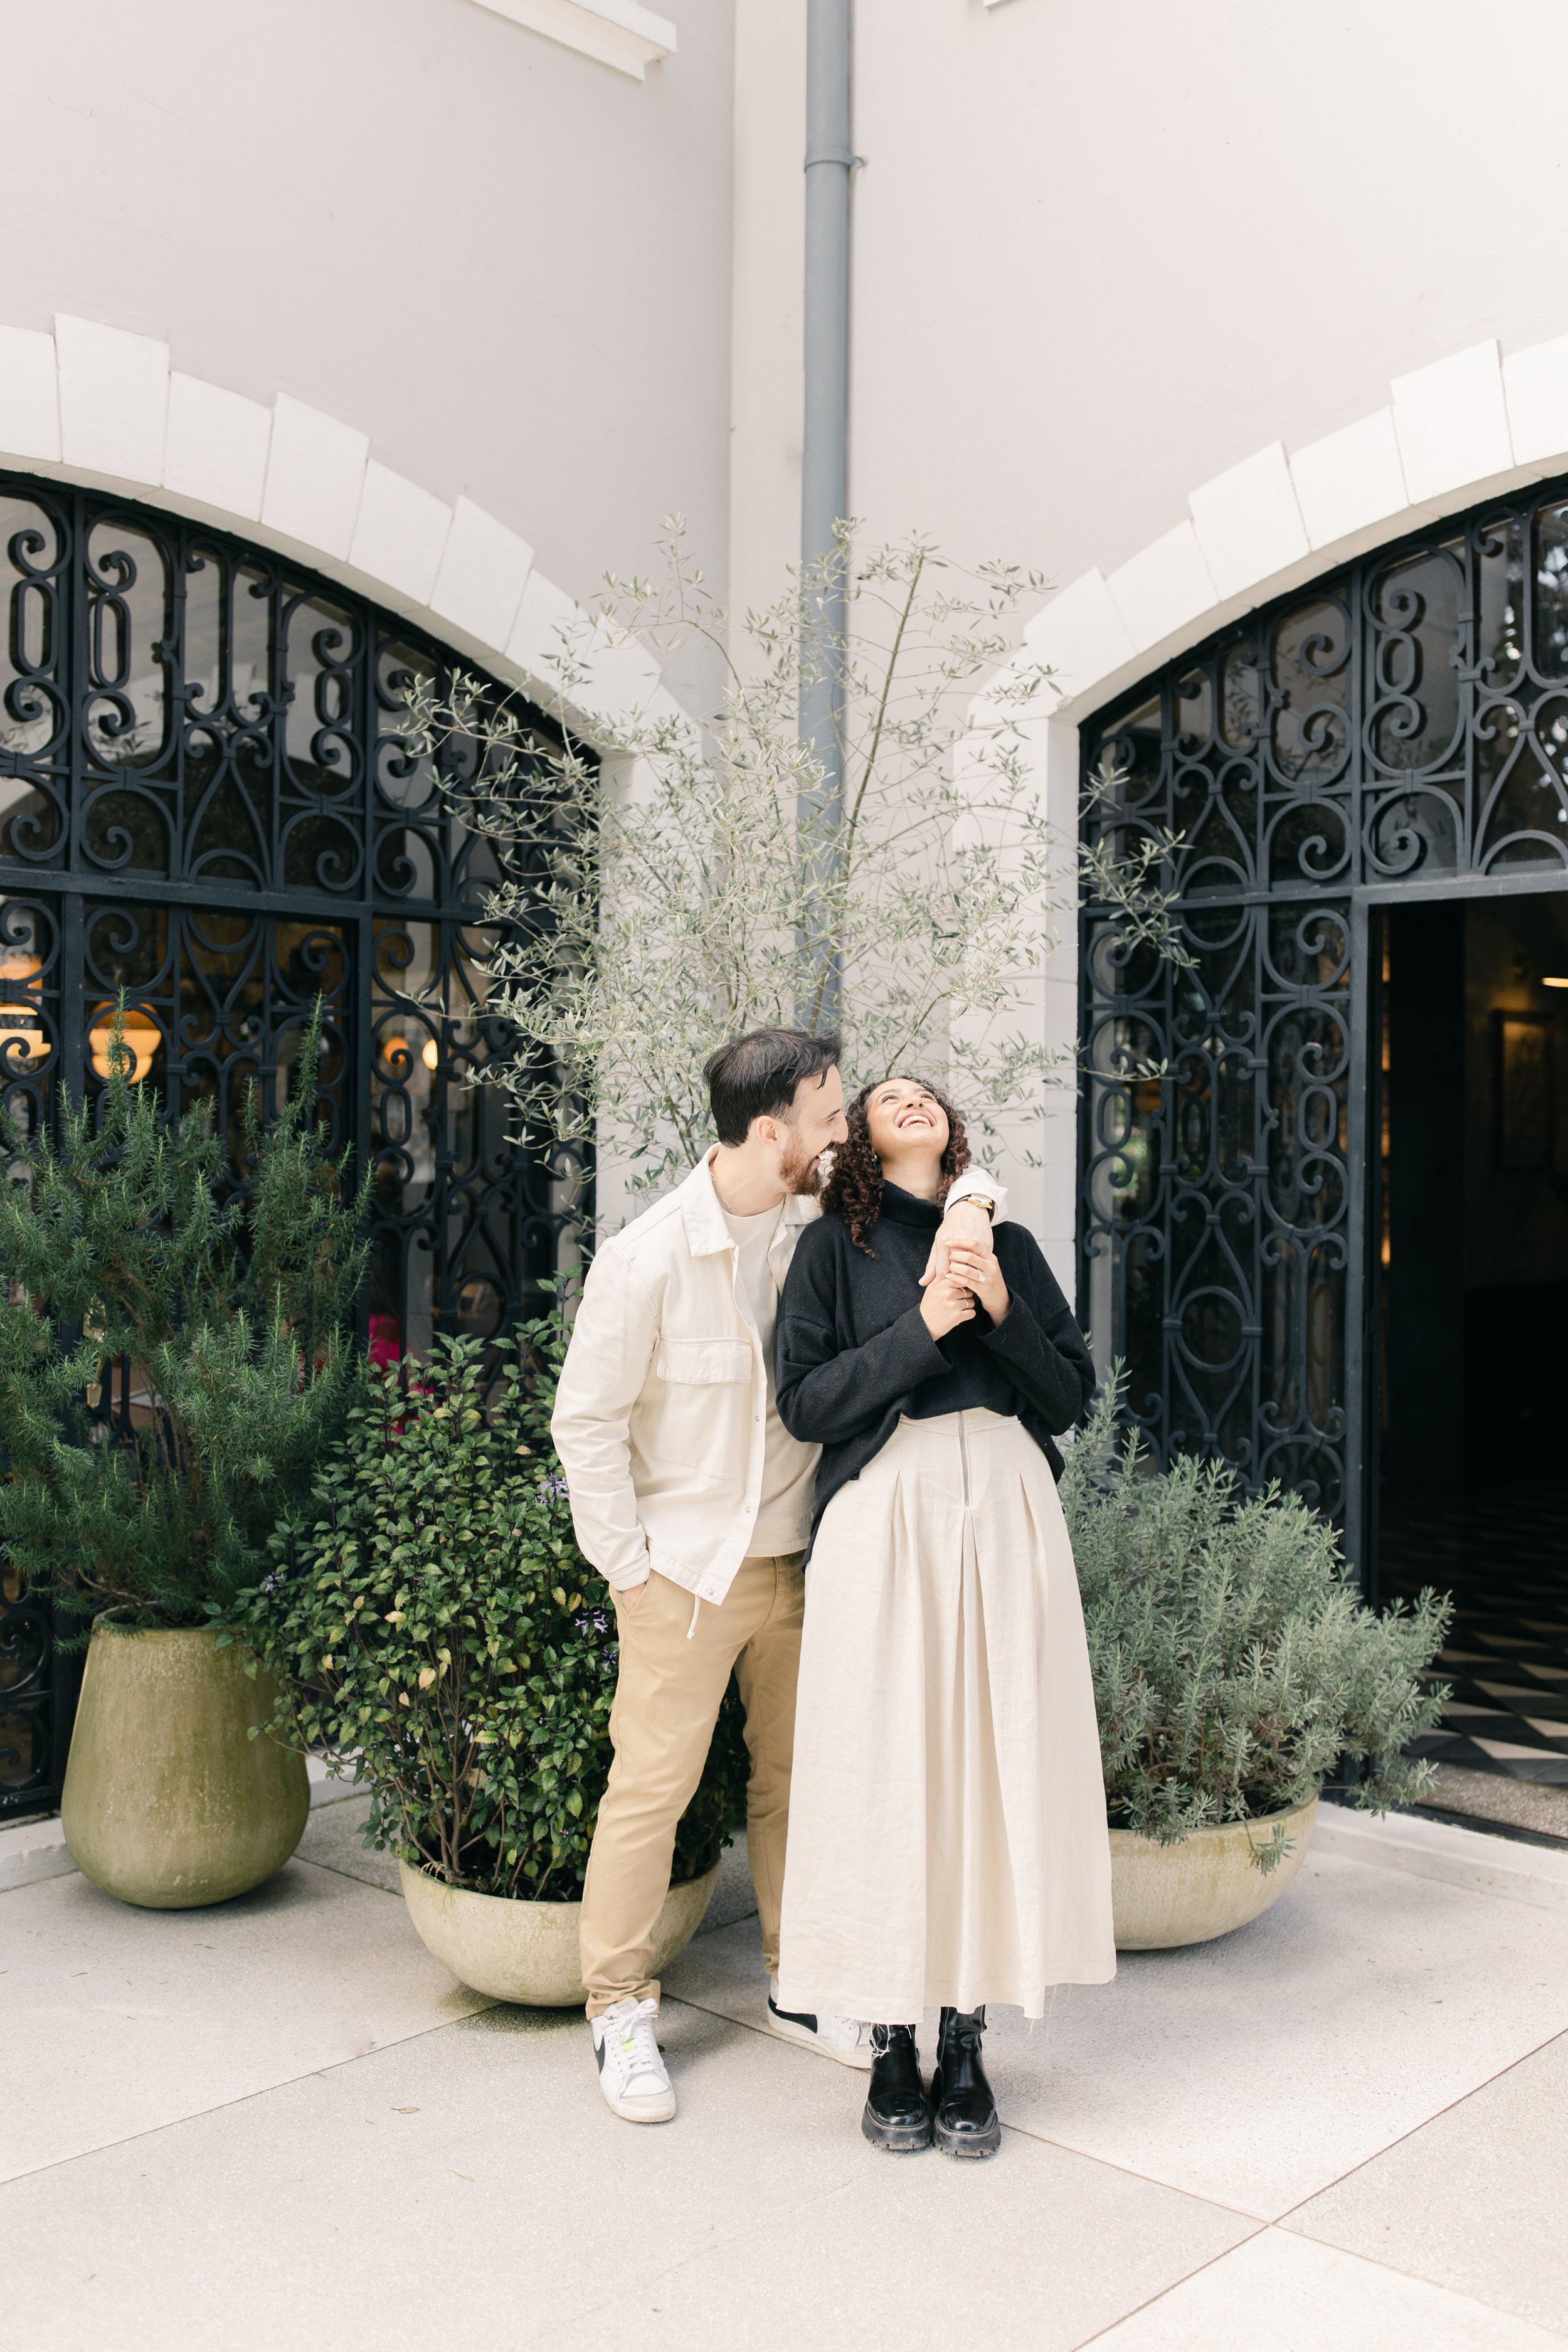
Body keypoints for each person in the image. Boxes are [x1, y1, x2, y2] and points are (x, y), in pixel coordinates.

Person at [549, 1029, 1009, 2125]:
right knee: (650, 1795)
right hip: (688, 1578)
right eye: (829, 1113)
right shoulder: (651, 1254)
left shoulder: (821, 1228)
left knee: (798, 1784)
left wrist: (977, 1193)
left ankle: (798, 1979)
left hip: (805, 1561)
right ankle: (618, 2007)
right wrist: (632, 1574)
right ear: (774, 1132)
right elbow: (587, 1423)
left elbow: (953, 1186)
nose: (845, 1130)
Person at [773, 1074, 1114, 2161]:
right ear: (863, 1141)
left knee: (989, 1766)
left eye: (927, 1094)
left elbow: (1072, 1393)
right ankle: (888, 2040)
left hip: (1007, 1516)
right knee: (886, 1769)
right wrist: (924, 1328)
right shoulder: (835, 1247)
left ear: (951, 1131)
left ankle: (966, 2039)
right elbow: (806, 1401)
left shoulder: (1005, 1242)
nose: (910, 1101)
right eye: (887, 1097)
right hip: (888, 1520)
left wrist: (999, 1309)